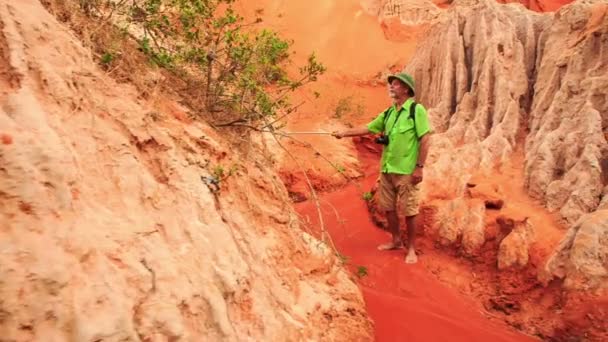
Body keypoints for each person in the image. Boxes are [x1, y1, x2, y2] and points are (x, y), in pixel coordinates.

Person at [332, 72, 431, 264]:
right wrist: (344, 133)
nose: (391, 87)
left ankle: (411, 249)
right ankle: (395, 240)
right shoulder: (389, 113)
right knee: (388, 207)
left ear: (405, 89)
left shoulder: (416, 110)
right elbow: (369, 128)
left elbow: (425, 139)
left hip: (406, 171)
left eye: (395, 84)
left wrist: (419, 167)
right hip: (387, 169)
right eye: (391, 84)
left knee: (410, 210)